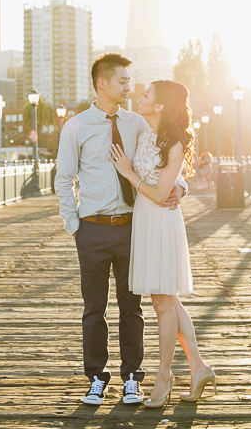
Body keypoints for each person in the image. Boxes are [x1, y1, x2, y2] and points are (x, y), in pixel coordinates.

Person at [56, 53, 186, 406]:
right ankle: (96, 377)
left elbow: (165, 156)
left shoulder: (138, 123)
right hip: (92, 229)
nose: (130, 87)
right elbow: (63, 178)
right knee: (94, 308)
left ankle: (132, 376)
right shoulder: (76, 126)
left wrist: (181, 188)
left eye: (131, 82)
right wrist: (74, 226)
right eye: (124, 81)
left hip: (133, 227)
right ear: (103, 83)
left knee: (132, 308)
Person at [110, 80, 216, 408]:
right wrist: (180, 185)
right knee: (167, 299)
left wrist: (129, 174)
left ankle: (165, 375)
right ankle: (198, 368)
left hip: (160, 221)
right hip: (143, 220)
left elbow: (159, 194)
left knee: (161, 303)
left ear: (158, 106)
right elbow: (168, 181)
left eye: (146, 95)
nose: (139, 97)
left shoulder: (174, 144)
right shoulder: (142, 132)